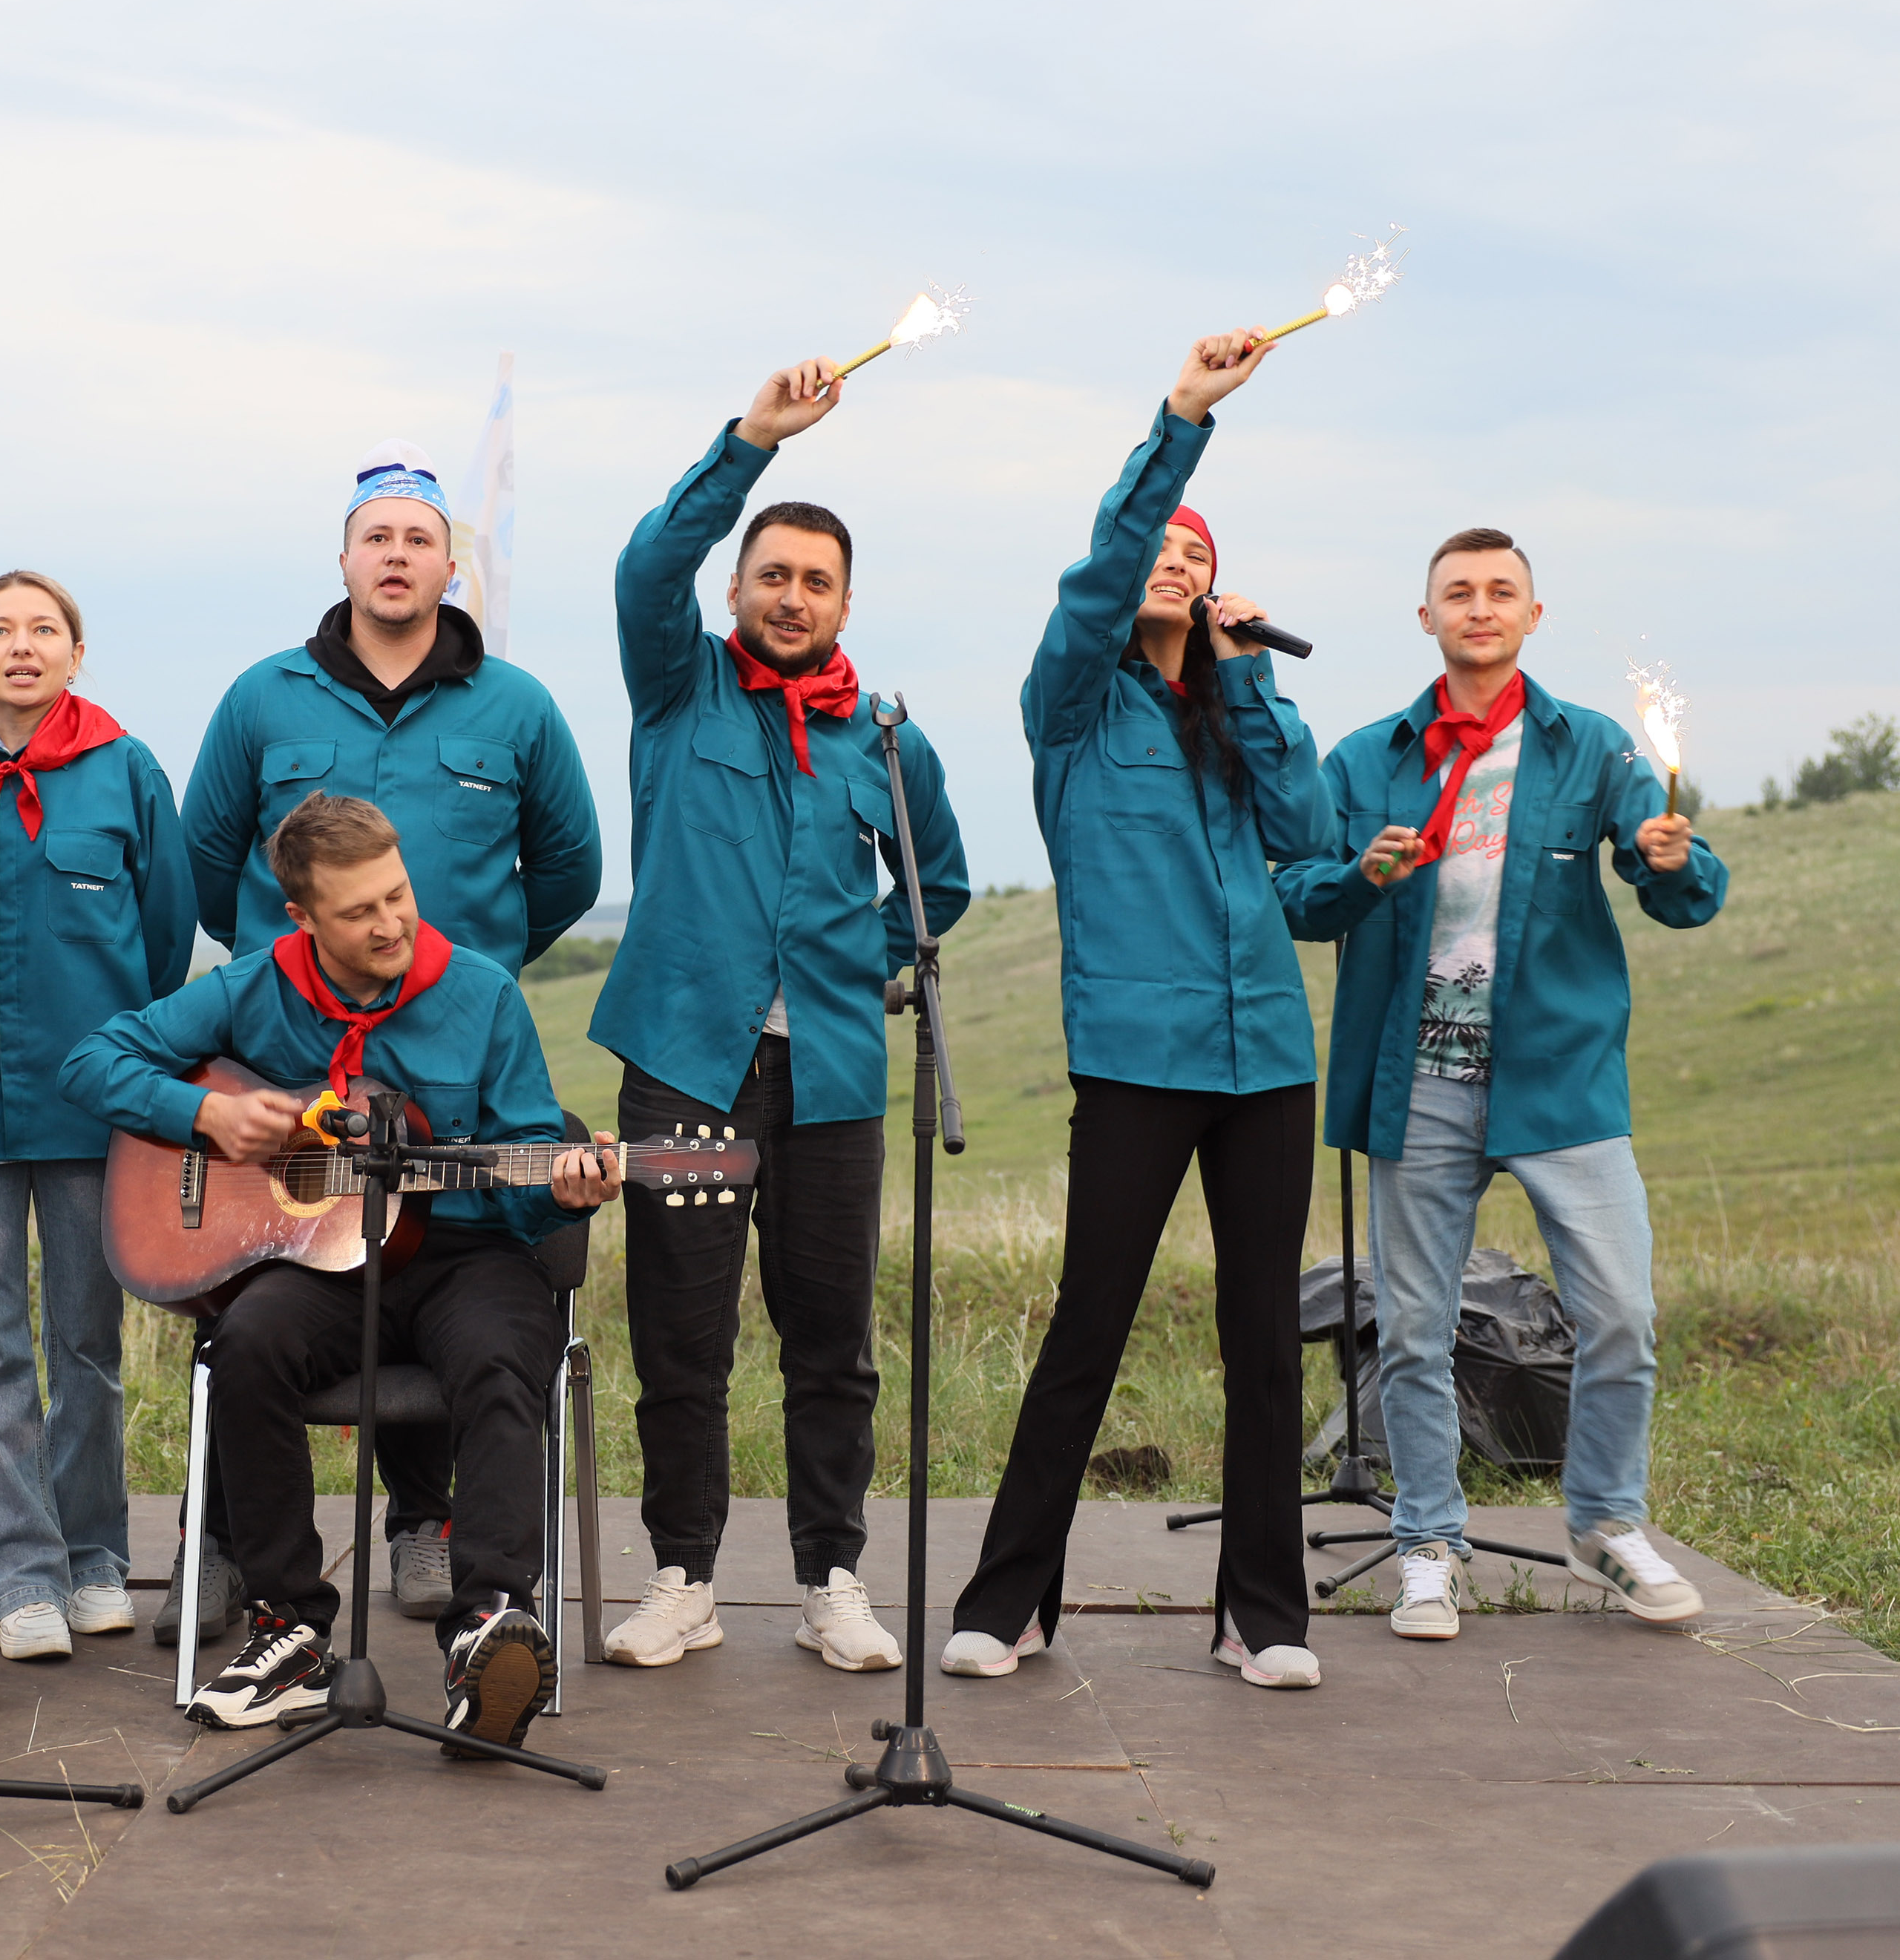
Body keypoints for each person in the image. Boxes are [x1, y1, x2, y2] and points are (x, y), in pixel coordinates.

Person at [943, 329, 1365, 1694]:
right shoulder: (1070, 707)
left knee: (1262, 1336)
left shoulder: (1240, 708)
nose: (1173, 567)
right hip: (1135, 1059)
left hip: (1267, 1065)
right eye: (1157, 555)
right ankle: (1013, 1599)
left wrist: (1250, 680)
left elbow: (1307, 838)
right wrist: (1181, 421)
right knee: (1091, 1320)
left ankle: (1260, 1612)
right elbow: (1101, 563)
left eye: (1198, 555)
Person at [59, 794, 622, 1748]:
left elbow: (529, 1146)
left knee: (497, 1356)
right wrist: (208, 1118)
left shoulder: (479, 991)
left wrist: (563, 1190)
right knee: (245, 1343)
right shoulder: (249, 986)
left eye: (398, 895)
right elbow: (90, 1060)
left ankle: (488, 1625)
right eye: (360, 911)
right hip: (322, 1263)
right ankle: (290, 1632)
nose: (392, 922)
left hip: (464, 1257)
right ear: (303, 919)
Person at [176, 441, 601, 1635]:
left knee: (442, 1246)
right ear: (346, 558)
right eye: (378, 536)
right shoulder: (265, 695)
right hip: (292, 1062)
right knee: (249, 1299)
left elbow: (568, 864)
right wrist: (288, 963)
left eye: (419, 536)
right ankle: (223, 1550)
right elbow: (207, 857)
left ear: (449, 563)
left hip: (455, 1055)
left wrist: (471, 972)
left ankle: (431, 1533)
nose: (397, 554)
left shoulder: (514, 706)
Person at [589, 359, 972, 1675]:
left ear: (845, 602)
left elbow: (944, 885)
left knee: (832, 1343)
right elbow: (650, 564)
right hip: (685, 1059)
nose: (791, 597)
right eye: (772, 576)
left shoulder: (888, 735)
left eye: (817, 582)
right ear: (739, 588)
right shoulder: (676, 683)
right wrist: (750, 439)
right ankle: (682, 1577)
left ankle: (832, 1579)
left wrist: (852, 973)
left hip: (835, 1085)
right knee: (679, 1336)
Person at [1277, 528, 1726, 1641]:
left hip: (1558, 1078)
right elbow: (1298, 894)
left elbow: (1672, 878)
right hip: (1415, 1076)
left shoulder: (1591, 747)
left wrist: (1673, 860)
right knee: (1415, 1328)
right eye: (1456, 593)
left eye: (1499, 592)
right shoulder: (1364, 757)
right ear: (1423, 618)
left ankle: (1605, 1525)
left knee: (1619, 1311)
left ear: (1531, 615)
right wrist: (1357, 874)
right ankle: (1427, 1541)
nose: (1478, 607)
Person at [0, 571, 191, 1667]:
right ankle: (16, 1574)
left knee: (87, 1338)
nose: (20, 646)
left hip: (93, 1103)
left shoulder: (126, 772)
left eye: (43, 629)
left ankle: (93, 1559)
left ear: (76, 652)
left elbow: (165, 936)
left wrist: (117, 1048)